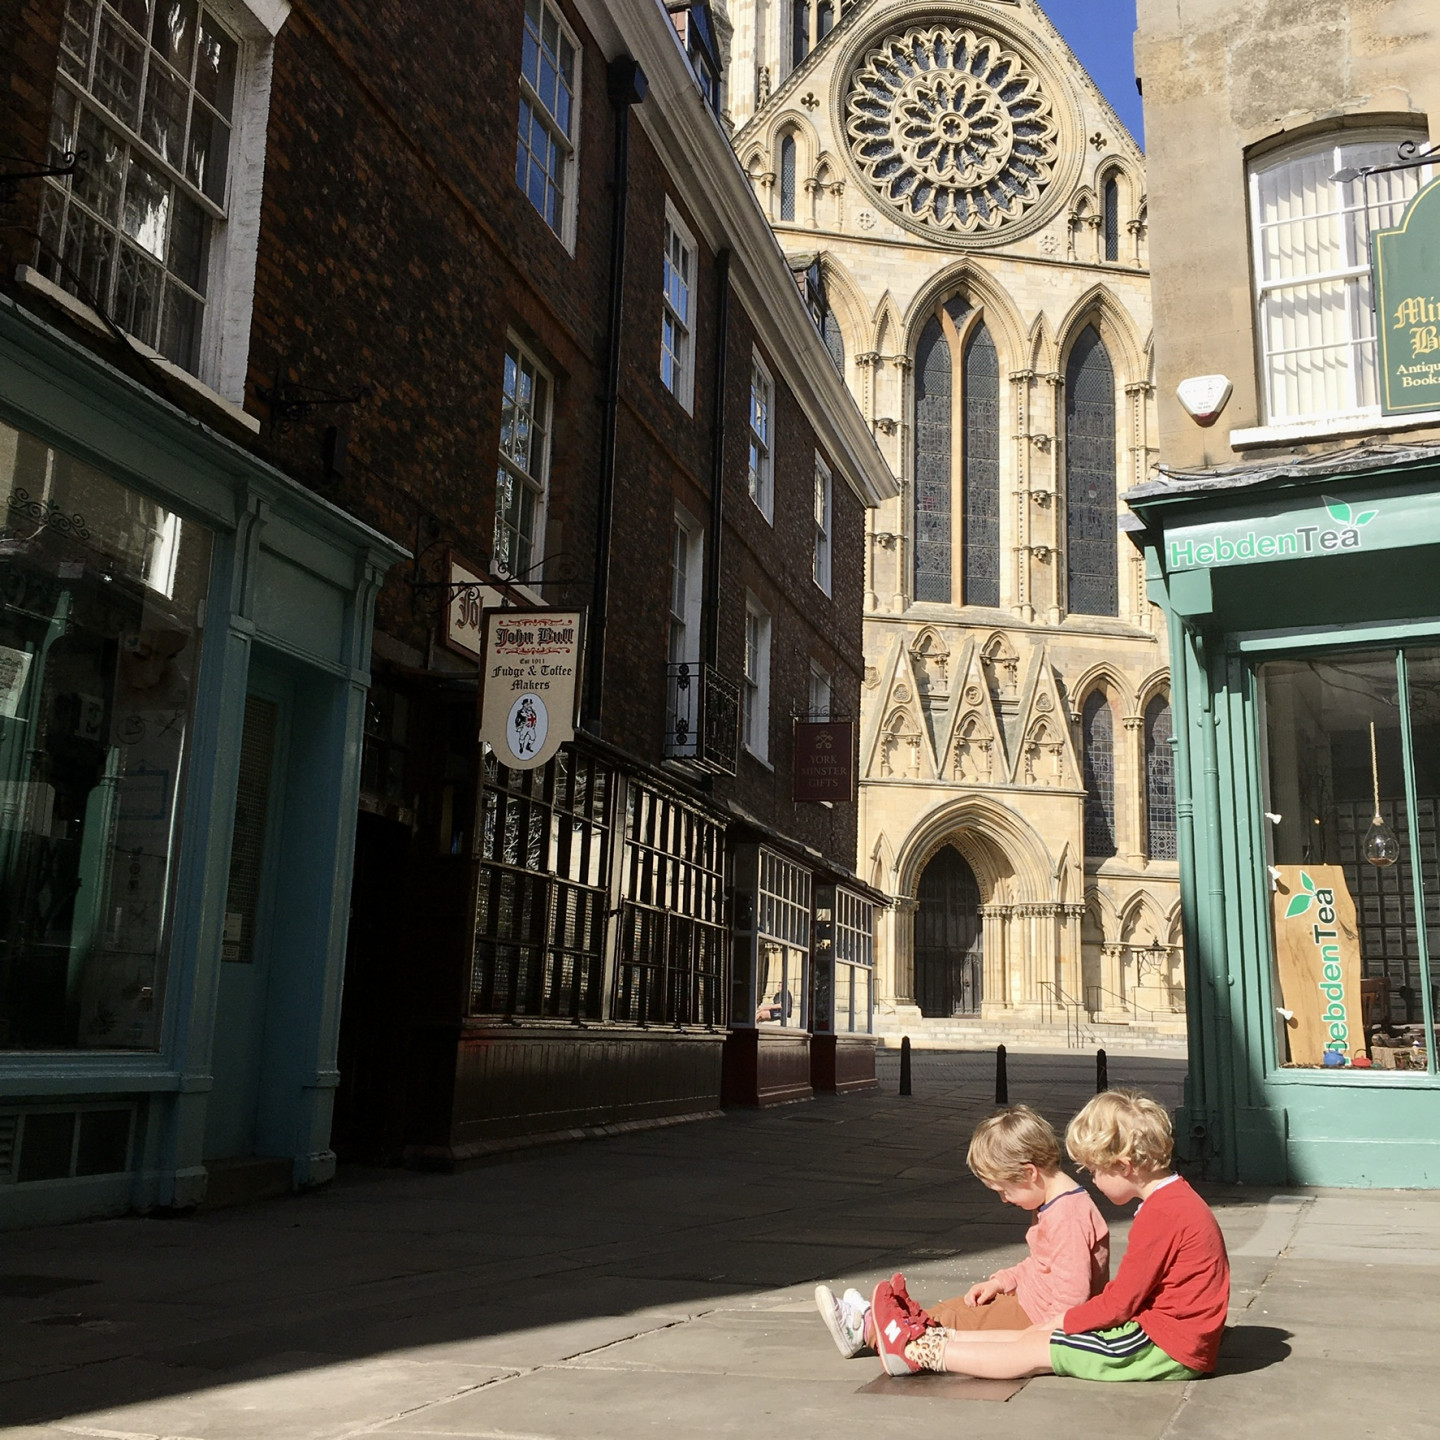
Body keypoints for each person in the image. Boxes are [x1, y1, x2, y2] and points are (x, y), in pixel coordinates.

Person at [871, 1089, 1231, 1384]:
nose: (1092, 1179)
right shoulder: (1175, 1201)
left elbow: (1121, 1301)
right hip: (1168, 1339)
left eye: (1094, 1170)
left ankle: (917, 1351)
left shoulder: (1162, 1214)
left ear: (1123, 1166)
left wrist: (1062, 1323)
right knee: (1032, 1338)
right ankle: (919, 1340)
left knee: (1034, 1348)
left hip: (1163, 1347)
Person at [814, 1104, 1108, 1357]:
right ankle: (883, 1321)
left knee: (953, 1322)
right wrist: (1003, 1282)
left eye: (1004, 1190)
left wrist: (1041, 1335)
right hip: (1031, 1304)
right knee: (952, 1309)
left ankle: (870, 1332)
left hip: (1039, 1317)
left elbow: (1073, 1297)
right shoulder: (1053, 1203)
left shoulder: (1067, 1215)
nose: (1004, 1199)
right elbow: (1044, 1263)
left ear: (1030, 1173)